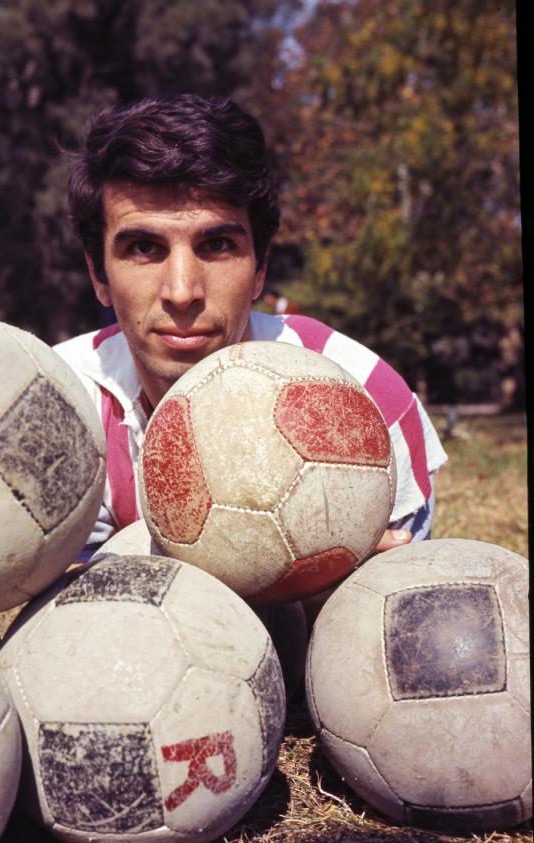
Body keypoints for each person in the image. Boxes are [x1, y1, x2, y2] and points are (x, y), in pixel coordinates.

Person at [53, 94, 447, 559]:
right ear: (99, 274)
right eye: (143, 248)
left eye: (217, 244)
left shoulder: (366, 402)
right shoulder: (61, 405)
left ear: (260, 268)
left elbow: (383, 608)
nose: (182, 291)